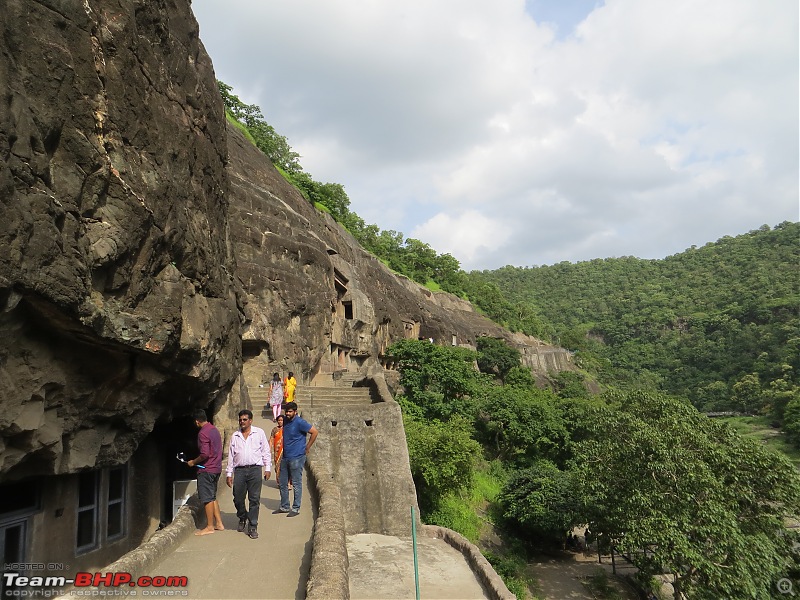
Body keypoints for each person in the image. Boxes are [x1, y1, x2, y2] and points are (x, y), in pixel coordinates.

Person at [226, 409, 271, 539]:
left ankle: (253, 526)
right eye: (240, 420)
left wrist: (267, 468)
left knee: (254, 499)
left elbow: (265, 451)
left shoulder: (259, 433)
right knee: (238, 498)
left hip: (255, 470)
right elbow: (231, 456)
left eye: (245, 419)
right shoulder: (235, 436)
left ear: (250, 420)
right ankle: (242, 516)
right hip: (239, 471)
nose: (242, 422)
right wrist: (229, 474)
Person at [274, 402, 318, 517]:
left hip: (297, 457)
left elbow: (314, 432)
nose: (287, 414)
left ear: (295, 412)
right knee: (283, 483)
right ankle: (284, 506)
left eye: (290, 411)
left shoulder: (300, 422)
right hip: (286, 456)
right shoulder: (286, 420)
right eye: (286, 411)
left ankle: (296, 507)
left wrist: (307, 446)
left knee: (297, 483)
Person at [187, 409, 224, 536]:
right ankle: (219, 523)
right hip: (217, 468)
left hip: (207, 469)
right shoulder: (214, 429)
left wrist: (193, 462)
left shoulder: (203, 433)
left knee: (207, 498)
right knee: (212, 496)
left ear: (197, 421)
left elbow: (204, 454)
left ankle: (209, 526)